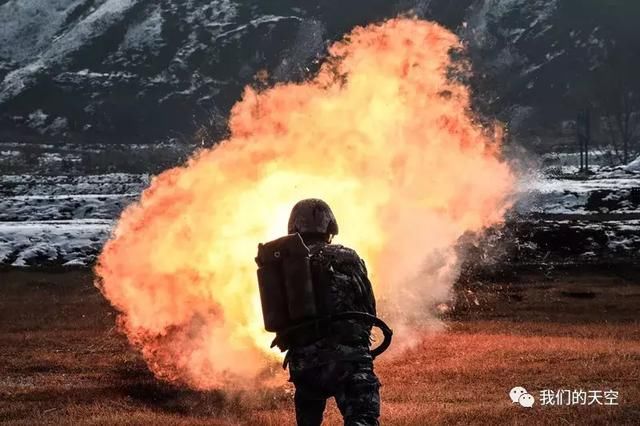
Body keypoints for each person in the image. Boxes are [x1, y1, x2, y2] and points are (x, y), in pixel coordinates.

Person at [280, 198, 381, 426]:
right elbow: (368, 307)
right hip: (348, 362)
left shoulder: (286, 263)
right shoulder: (347, 256)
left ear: (294, 227)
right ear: (330, 227)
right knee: (362, 419)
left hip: (304, 368)